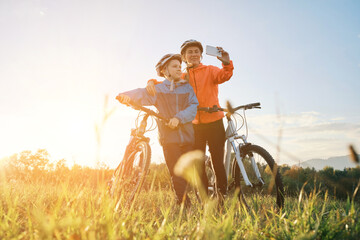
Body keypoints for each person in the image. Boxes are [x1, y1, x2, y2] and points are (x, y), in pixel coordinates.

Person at [146, 40, 234, 196]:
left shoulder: (210, 70)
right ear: (184, 57)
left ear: (201, 55)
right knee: (197, 164)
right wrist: (152, 82)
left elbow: (224, 75)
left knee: (217, 162)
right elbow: (167, 82)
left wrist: (226, 63)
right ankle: (204, 198)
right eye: (190, 52)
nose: (194, 54)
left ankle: (221, 196)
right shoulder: (183, 76)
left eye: (196, 51)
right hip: (194, 126)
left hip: (214, 122)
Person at [116, 54, 198, 205]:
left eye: (180, 66)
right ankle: (184, 203)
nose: (179, 68)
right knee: (175, 171)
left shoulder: (187, 88)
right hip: (168, 138)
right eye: (174, 66)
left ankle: (184, 200)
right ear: (164, 71)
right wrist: (125, 97)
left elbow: (193, 107)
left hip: (187, 136)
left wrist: (178, 118)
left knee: (186, 171)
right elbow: (141, 94)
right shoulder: (158, 89)